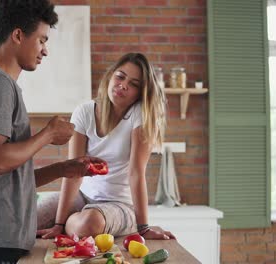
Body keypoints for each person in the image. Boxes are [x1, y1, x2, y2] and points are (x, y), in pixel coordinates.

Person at [0, 1, 106, 263]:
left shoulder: (3, 85)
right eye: (41, 40)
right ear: (17, 35)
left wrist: (63, 169)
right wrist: (47, 134)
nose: (45, 51)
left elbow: (7, 179)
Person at [37, 53, 176, 241]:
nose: (124, 85)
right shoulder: (84, 112)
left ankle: (75, 224)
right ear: (111, 75)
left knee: (89, 224)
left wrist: (143, 228)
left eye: (134, 84)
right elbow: (74, 172)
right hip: (82, 196)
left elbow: (136, 173)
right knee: (26, 219)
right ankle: (70, 225)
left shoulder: (140, 115)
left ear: (140, 93)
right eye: (120, 76)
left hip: (119, 206)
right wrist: (58, 224)